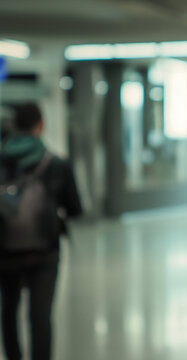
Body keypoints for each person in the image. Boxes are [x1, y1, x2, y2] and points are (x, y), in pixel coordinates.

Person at [0, 102, 82, 360]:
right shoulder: (55, 164)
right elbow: (76, 208)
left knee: (8, 312)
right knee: (40, 317)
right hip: (44, 252)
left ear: (14, 126)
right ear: (40, 125)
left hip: (5, 250)